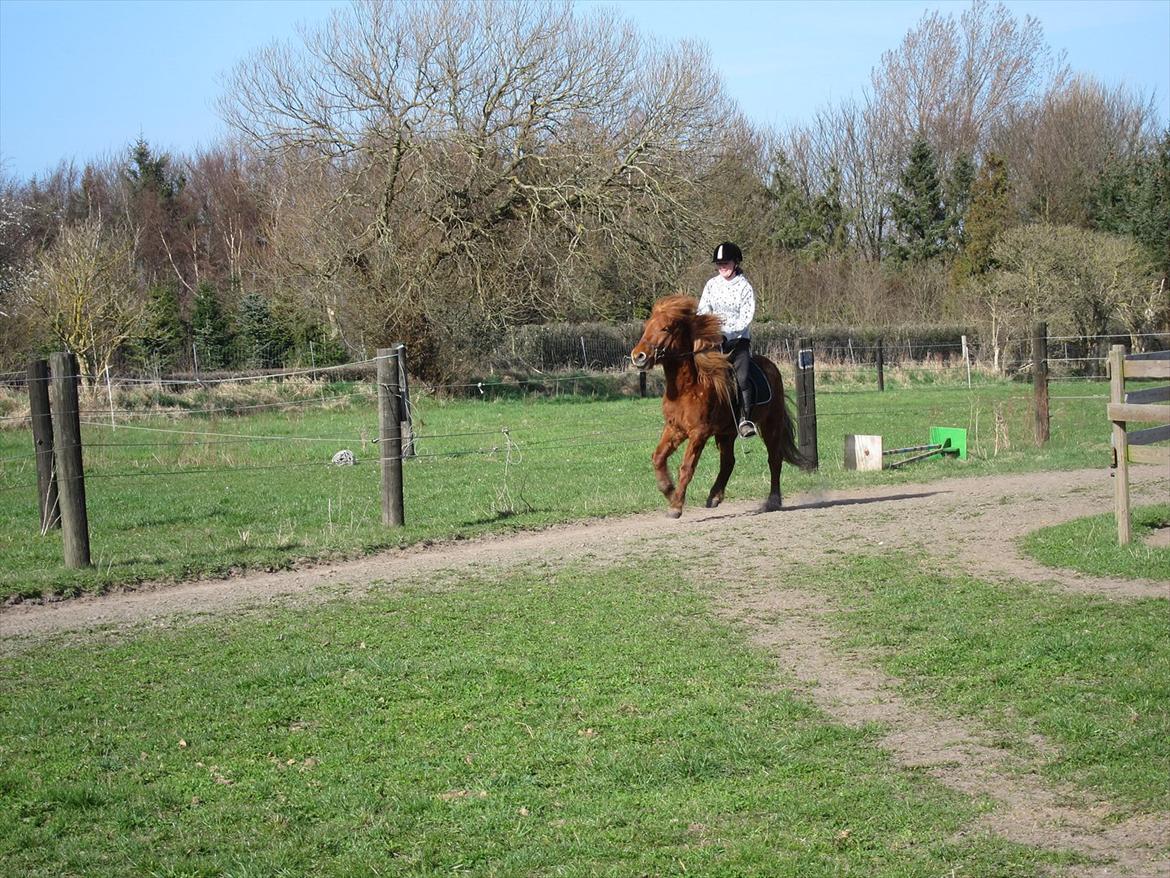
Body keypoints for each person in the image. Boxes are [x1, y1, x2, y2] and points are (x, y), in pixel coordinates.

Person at [697, 241, 757, 438]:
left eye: (726, 263)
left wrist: (726, 332)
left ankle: (745, 419)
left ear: (736, 263)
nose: (722, 267)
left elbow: (745, 318)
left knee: (742, 378)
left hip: (738, 342)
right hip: (714, 341)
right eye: (719, 264)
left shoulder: (744, 287)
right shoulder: (711, 285)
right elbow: (703, 310)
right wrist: (709, 330)